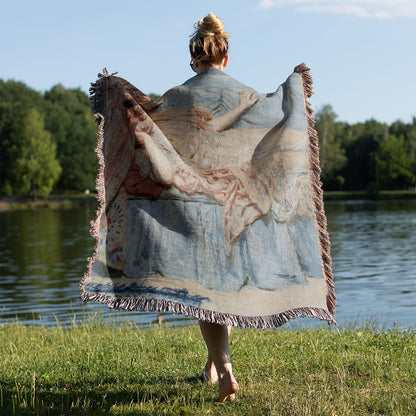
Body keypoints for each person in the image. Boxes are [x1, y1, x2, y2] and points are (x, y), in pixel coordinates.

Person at [187, 12, 240, 403]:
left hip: (197, 207)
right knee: (222, 291)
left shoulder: (179, 95)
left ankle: (225, 372)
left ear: (194, 59)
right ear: (225, 57)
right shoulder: (245, 96)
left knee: (205, 298)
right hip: (235, 206)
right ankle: (210, 366)